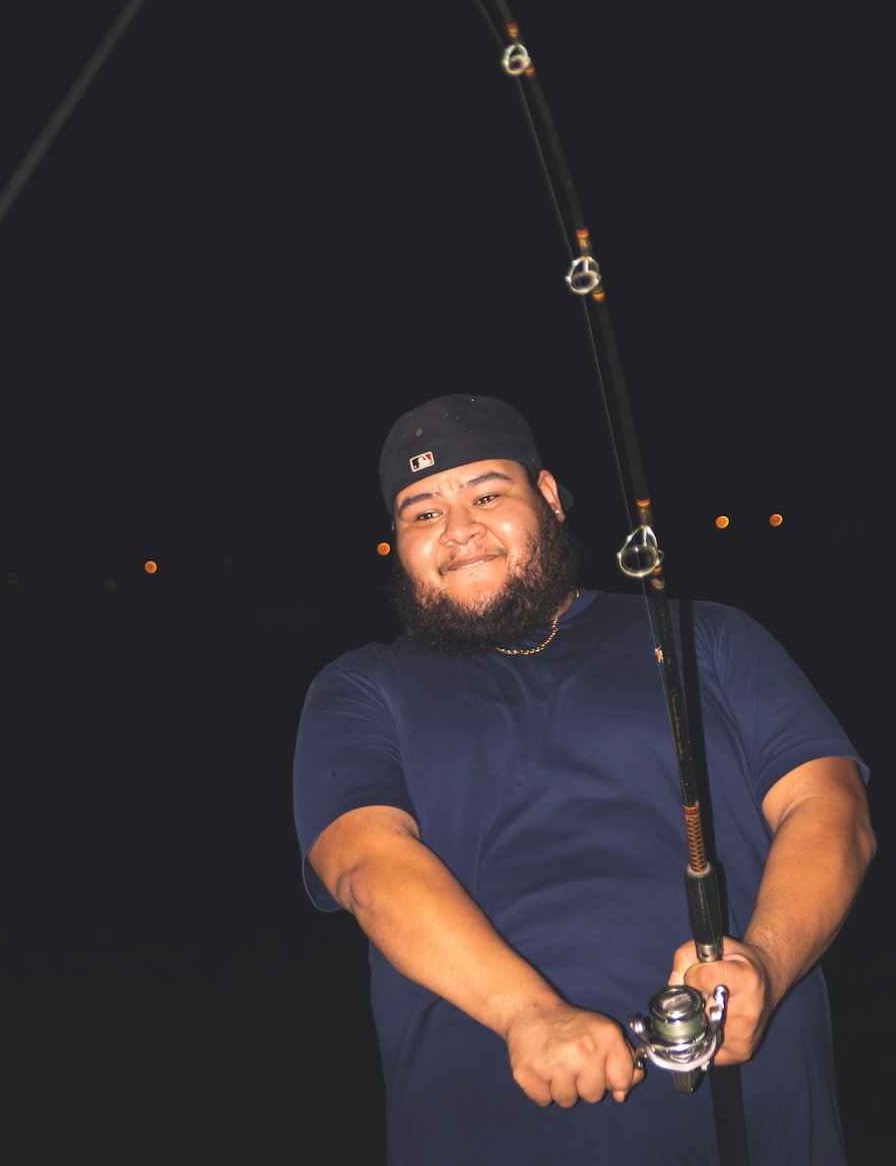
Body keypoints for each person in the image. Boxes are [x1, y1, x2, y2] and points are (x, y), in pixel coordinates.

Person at [292, 393, 874, 1164]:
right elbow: (366, 862)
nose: (458, 528)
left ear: (551, 498)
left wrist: (762, 961)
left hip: (751, 1122)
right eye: (422, 511)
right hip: (486, 1126)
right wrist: (527, 1013)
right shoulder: (362, 687)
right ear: (397, 543)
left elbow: (830, 806)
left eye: (488, 494)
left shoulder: (705, 635)